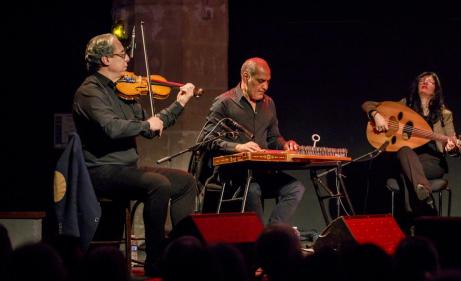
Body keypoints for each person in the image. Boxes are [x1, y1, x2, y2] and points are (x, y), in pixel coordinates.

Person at [72, 33, 197, 276]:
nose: (128, 58)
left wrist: (179, 104)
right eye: (122, 54)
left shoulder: (125, 90)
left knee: (185, 182)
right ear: (106, 59)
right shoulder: (89, 92)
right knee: (158, 184)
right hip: (100, 171)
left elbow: (152, 128)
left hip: (127, 169)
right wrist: (146, 125)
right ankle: (155, 259)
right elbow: (112, 128)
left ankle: (182, 252)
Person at [201, 57, 305, 225]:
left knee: (295, 188)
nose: (266, 86)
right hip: (233, 175)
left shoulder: (269, 103)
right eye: (261, 81)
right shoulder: (224, 103)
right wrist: (238, 147)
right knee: (253, 189)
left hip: (261, 172)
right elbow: (207, 139)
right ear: (246, 76)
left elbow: (273, 137)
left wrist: (285, 144)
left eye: (268, 82)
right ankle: (257, 240)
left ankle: (271, 235)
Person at [362, 71, 461, 218]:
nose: (425, 82)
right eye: (422, 79)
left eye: (430, 81)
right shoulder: (404, 105)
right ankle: (425, 203)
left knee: (405, 172)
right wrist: (376, 116)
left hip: (432, 163)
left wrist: (452, 147)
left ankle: (410, 223)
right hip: (406, 158)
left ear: (436, 90)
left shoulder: (444, 114)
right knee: (404, 151)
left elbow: (453, 145)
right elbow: (368, 104)